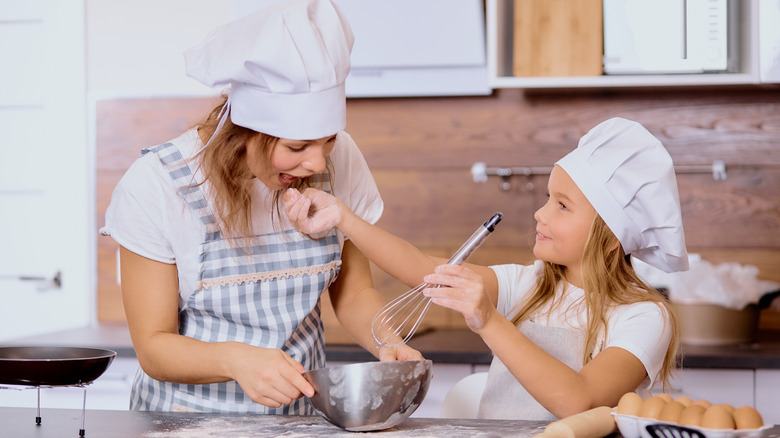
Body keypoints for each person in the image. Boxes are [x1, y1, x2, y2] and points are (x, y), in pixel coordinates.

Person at [99, 0, 422, 415]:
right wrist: (235, 359)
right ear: (244, 132)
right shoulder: (159, 184)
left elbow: (356, 292)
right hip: (183, 421)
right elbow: (154, 347)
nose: (318, 163)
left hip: (298, 419)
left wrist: (388, 342)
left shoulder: (340, 162)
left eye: (329, 140)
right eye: (296, 146)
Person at [284, 117, 688, 420]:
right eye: (548, 197)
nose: (540, 213)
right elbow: (424, 269)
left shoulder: (643, 317)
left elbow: (578, 399)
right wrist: (344, 219)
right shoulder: (528, 283)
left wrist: (489, 321)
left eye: (562, 206)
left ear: (612, 235)